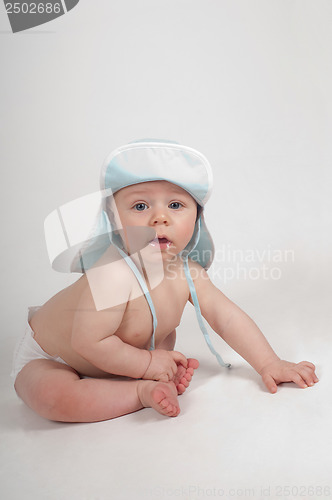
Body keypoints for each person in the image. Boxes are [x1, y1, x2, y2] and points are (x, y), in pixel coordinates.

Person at [11, 140, 319, 422]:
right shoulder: (113, 272)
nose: (160, 218)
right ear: (113, 218)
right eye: (141, 206)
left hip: (117, 357)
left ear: (196, 217)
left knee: (163, 338)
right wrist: (146, 365)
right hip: (54, 357)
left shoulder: (187, 271)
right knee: (53, 398)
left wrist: (269, 363)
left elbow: (226, 318)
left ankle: (138, 372)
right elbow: (86, 342)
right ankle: (138, 392)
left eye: (175, 205)